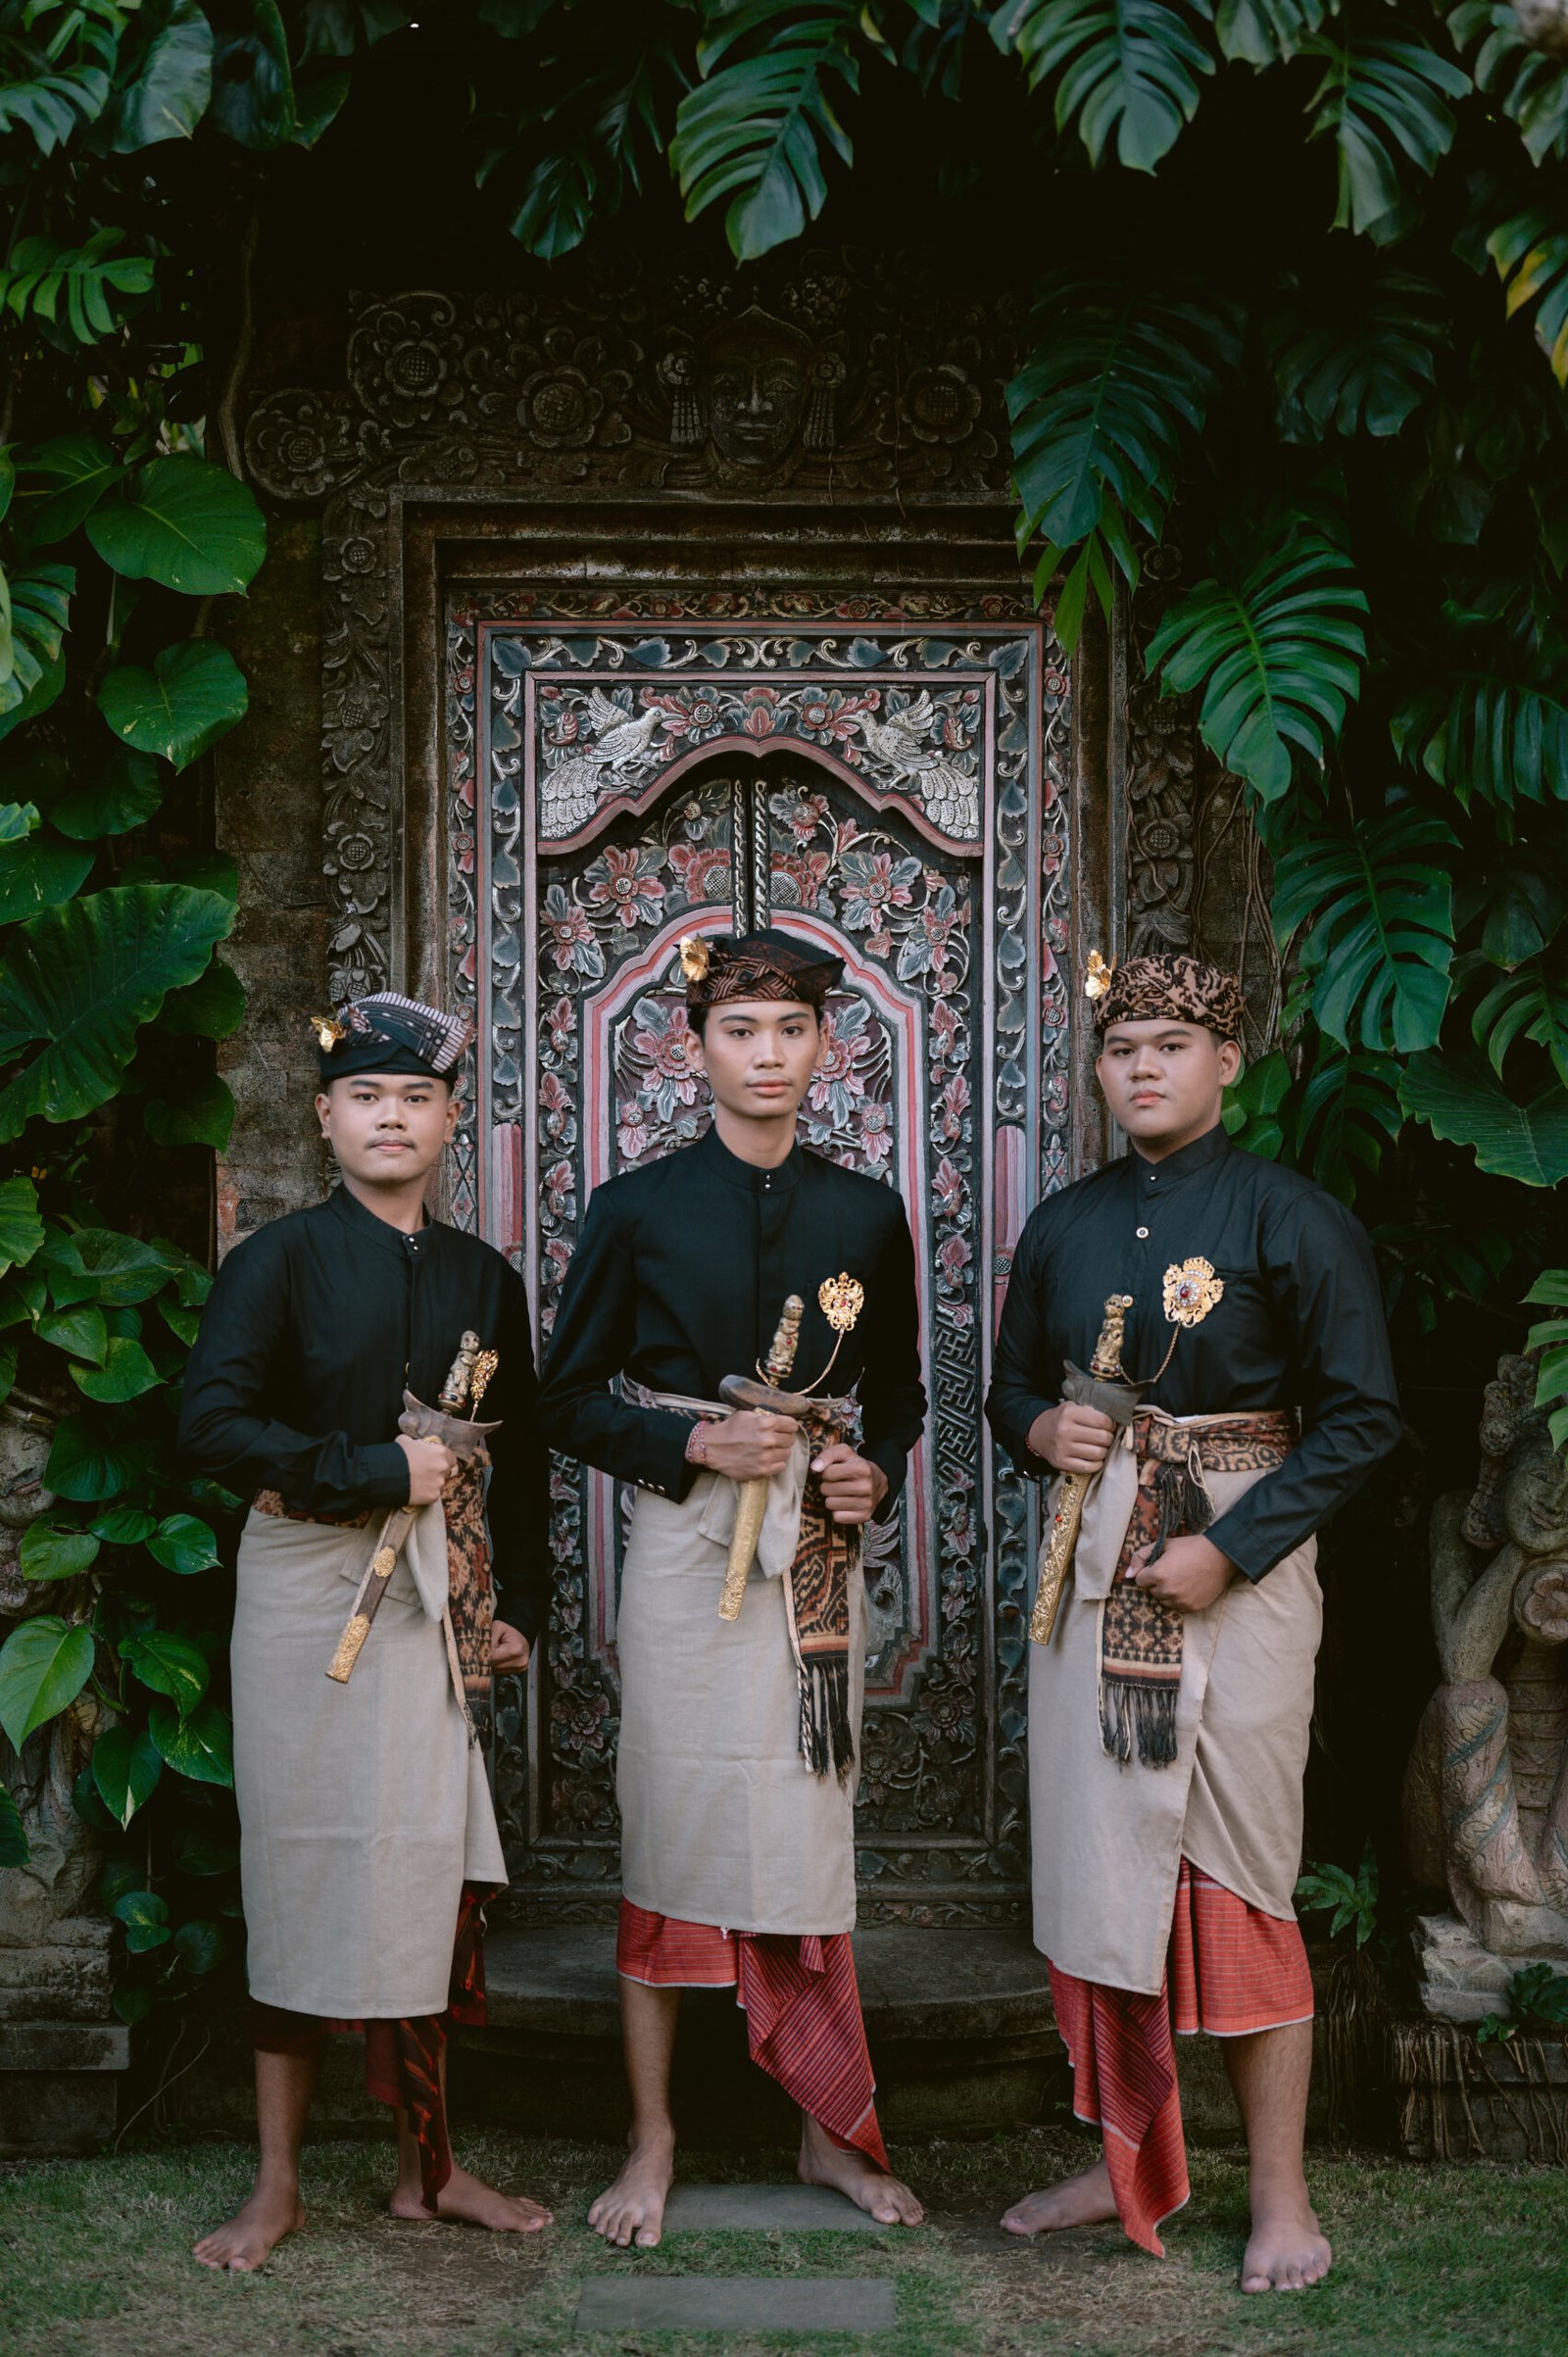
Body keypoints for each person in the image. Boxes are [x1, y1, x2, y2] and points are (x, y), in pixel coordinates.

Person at [986, 951, 1400, 2293]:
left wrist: (1229, 1549)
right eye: (1122, 1049)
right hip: (1098, 1564)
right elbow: (1007, 1391)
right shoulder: (1064, 1224)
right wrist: (1040, 1428)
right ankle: (1119, 2164)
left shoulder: (1294, 1216)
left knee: (1242, 1876)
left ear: (1228, 1060)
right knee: (1103, 1870)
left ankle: (1279, 2193)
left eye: (1172, 1044)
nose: (1144, 1068)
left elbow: (1362, 1418)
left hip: (1242, 1571)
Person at [537, 928, 928, 2247]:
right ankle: (653, 2135)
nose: (768, 1055)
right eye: (741, 1030)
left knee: (809, 1826)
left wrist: (871, 1471)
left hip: (813, 1552)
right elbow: (564, 1398)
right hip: (686, 1547)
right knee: (674, 1815)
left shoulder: (865, 1213)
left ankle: (827, 2128)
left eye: (791, 1030)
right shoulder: (637, 1207)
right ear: (692, 1047)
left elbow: (899, 1398)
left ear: (826, 1046)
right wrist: (695, 1444)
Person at [178, 992, 552, 2270]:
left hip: (439, 1599)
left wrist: (520, 1610)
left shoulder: (482, 1278)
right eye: (367, 1097)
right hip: (305, 1584)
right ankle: (277, 2180)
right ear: (326, 1117)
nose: (392, 1117)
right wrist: (371, 1468)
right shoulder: (275, 1262)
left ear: (450, 1121)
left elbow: (522, 1460)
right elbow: (211, 1426)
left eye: (417, 1098)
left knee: (428, 1876)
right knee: (296, 1868)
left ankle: (426, 2170)